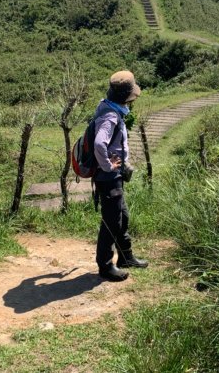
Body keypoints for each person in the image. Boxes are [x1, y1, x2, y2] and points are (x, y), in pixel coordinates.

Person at [93, 71, 148, 282]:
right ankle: (105, 267)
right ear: (126, 96)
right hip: (108, 178)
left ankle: (125, 257)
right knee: (111, 222)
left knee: (122, 217)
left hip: (113, 176)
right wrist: (108, 166)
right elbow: (100, 143)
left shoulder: (111, 108)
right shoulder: (110, 116)